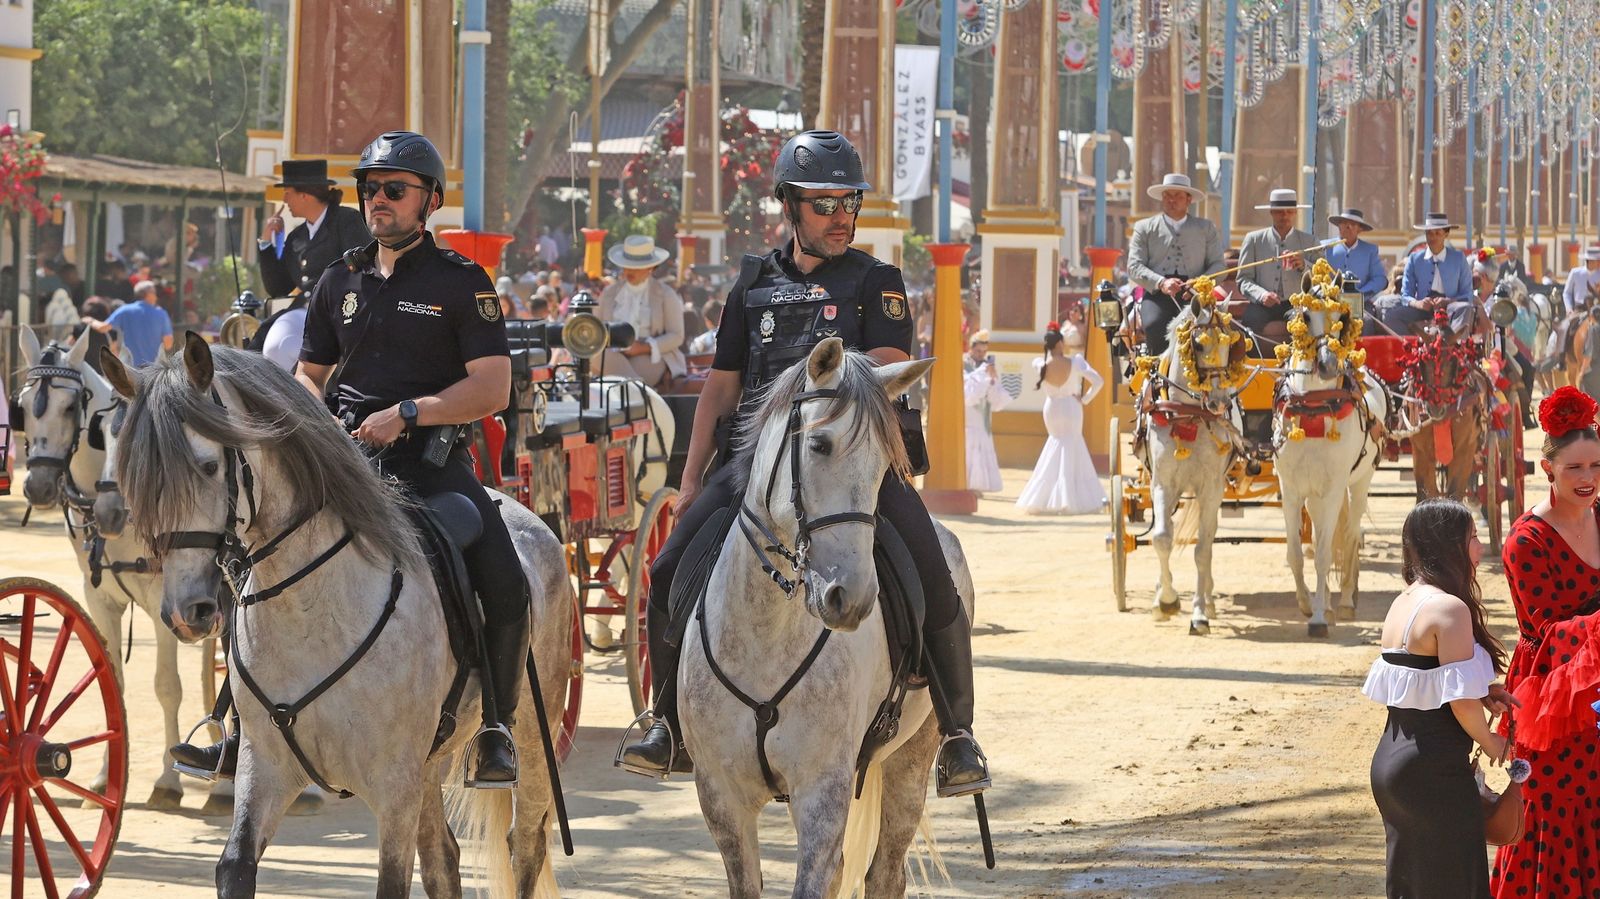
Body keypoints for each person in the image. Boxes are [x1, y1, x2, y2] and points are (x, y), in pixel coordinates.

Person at [616, 129, 991, 797]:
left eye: (849, 203)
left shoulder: (877, 283)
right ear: (789, 206)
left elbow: (881, 365)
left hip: (849, 467)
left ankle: (958, 735)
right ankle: (665, 720)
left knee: (933, 575)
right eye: (825, 204)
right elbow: (723, 386)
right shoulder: (753, 283)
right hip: (754, 472)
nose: (841, 216)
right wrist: (694, 476)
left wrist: (824, 378)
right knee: (671, 567)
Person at [168, 130, 527, 788]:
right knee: (255, 560)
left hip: (429, 462)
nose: (378, 200)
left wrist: (410, 413)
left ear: (430, 202)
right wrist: (315, 419)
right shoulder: (339, 279)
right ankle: (234, 724)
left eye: (394, 189)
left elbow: (492, 387)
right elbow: (309, 374)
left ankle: (496, 729)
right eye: (369, 189)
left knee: (502, 574)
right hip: (343, 463)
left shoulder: (463, 282)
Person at [1364, 498, 1511, 899]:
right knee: (1456, 884)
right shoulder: (1451, 609)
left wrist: (1484, 691)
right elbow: (1458, 701)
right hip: (1434, 771)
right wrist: (1492, 742)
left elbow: (1424, 679)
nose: (1480, 548)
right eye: (1474, 538)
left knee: (1412, 885)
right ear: (1449, 546)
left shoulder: (1404, 601)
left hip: (1392, 767)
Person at [1490, 386, 1600, 897]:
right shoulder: (1526, 541)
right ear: (1547, 467)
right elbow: (1552, 637)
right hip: (1551, 700)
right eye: (1575, 468)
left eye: (1596, 466)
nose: (1588, 479)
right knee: (1554, 815)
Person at [1126, 173, 1225, 356]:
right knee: (1154, 325)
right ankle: (1157, 375)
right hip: (1158, 294)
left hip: (1195, 295)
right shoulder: (1144, 228)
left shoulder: (1206, 228)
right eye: (1167, 196)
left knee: (1211, 331)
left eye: (1178, 196)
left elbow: (1219, 265)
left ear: (1189, 200)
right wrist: (1161, 283)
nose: (1172, 200)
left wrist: (1198, 282)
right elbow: (1134, 266)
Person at [1014, 323, 1105, 514]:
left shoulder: (1040, 364)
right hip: (1071, 406)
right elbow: (1098, 380)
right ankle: (1069, 498)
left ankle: (1044, 498)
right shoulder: (1076, 362)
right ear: (1060, 344)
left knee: (1055, 443)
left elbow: (1037, 363)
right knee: (1072, 444)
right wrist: (1085, 398)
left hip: (1052, 407)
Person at [257, 159, 372, 300]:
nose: (285, 200)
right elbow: (278, 288)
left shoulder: (347, 221)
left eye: (287, 193)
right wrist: (266, 242)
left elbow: (363, 272)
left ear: (304, 195)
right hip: (306, 311)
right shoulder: (296, 237)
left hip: (340, 310)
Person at [594, 235, 687, 387]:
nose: (630, 270)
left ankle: (635, 392)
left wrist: (644, 347)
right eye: (626, 265)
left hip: (652, 355)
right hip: (613, 353)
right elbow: (596, 329)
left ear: (650, 268)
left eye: (636, 267)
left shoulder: (666, 294)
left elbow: (676, 335)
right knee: (597, 356)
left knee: (621, 383)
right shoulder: (609, 293)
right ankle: (642, 396)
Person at [1237, 188, 1323, 348]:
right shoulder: (1254, 240)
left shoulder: (1310, 241)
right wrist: (1262, 295)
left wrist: (1304, 265)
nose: (1284, 216)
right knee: (1249, 326)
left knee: (1308, 324)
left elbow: (1323, 277)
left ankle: (1305, 368)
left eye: (1289, 211)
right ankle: (1254, 367)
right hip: (1263, 305)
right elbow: (1243, 279)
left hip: (1297, 304)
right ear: (1271, 212)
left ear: (1295, 213)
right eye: (1279, 212)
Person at [1388, 213, 1477, 337]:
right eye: (1429, 233)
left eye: (1437, 233)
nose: (1432, 237)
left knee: (1465, 308)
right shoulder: (1414, 259)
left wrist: (1448, 301)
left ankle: (1454, 347)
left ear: (1446, 234)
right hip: (1423, 309)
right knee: (1393, 316)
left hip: (1451, 308)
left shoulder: (1458, 258)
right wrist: (1418, 303)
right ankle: (1412, 348)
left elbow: (1467, 294)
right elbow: (1405, 295)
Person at [962, 330, 1012, 494]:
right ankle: (966, 484)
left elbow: (997, 401)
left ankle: (977, 486)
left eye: (984, 352)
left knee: (980, 449)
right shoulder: (964, 365)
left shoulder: (986, 368)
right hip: (967, 417)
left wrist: (991, 380)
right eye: (978, 351)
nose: (981, 355)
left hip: (982, 418)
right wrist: (982, 374)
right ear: (971, 349)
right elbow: (968, 396)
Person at [93, 280, 172, 365]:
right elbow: (168, 344)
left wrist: (90, 320)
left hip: (129, 370)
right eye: (155, 293)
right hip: (153, 371)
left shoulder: (125, 310)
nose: (156, 297)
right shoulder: (161, 314)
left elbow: (102, 328)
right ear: (149, 294)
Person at [1324, 208, 1388, 313]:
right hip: (1328, 304)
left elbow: (1380, 279)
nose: (1347, 227)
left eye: (1352, 224)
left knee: (1366, 323)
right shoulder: (1325, 248)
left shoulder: (1370, 250)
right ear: (1339, 226)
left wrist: (1360, 294)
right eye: (1344, 223)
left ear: (1360, 229)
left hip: (1360, 305)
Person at [1561, 246, 1600, 314]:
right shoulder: (1575, 273)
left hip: (1597, 311)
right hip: (1579, 310)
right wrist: (1569, 308)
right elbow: (1567, 293)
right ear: (1590, 261)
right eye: (1598, 260)